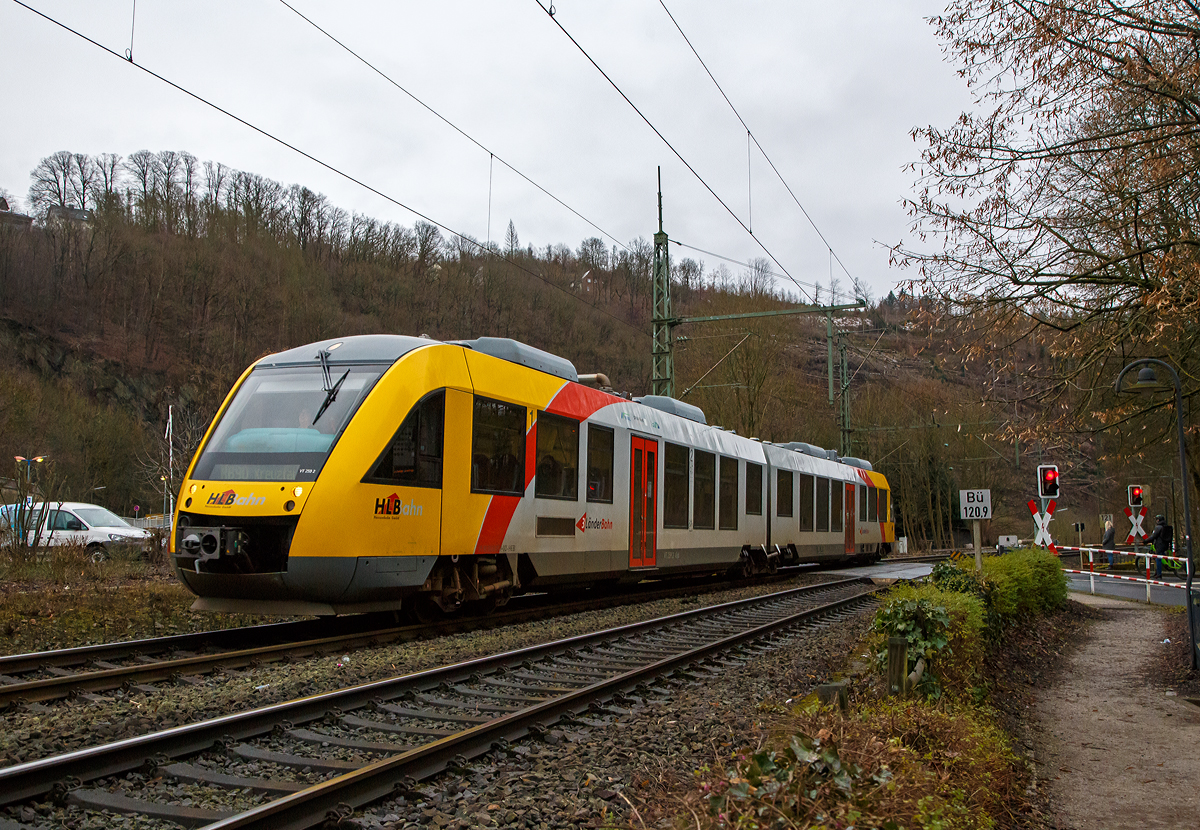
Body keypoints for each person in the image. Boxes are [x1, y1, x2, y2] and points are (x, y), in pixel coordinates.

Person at [1145, 515, 1170, 579]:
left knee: (1158, 559)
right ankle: (1166, 566)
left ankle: (1159, 574)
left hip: (1159, 545)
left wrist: (1145, 541)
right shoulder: (1165, 527)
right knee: (1162, 556)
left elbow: (1153, 536)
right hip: (1165, 545)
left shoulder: (1158, 527)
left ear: (1158, 520)